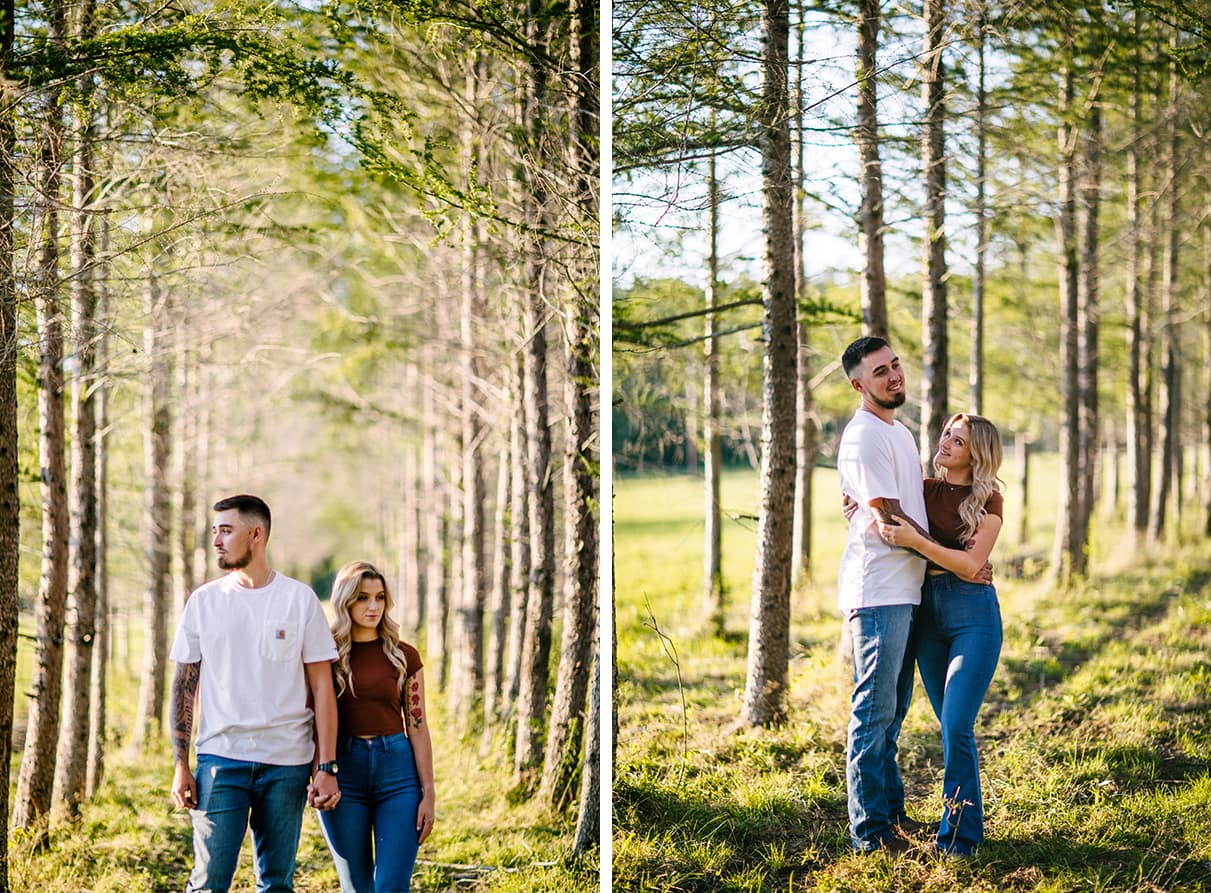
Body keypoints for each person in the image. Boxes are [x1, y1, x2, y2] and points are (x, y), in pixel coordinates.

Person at [169, 494, 341, 893]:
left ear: (256, 534)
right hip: (220, 760)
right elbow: (184, 686)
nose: (216, 541)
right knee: (209, 881)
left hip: (286, 763)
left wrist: (326, 767)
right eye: (215, 532)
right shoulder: (204, 602)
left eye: (226, 531)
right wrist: (180, 764)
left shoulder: (299, 600)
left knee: (277, 882)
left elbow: (322, 687)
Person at [876, 413, 1004, 855]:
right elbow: (881, 508)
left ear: (977, 454)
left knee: (956, 724)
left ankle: (959, 840)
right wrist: (855, 502)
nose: (945, 442)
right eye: (947, 434)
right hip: (927, 615)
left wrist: (921, 543)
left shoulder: (989, 500)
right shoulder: (924, 490)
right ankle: (955, 822)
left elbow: (972, 567)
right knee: (948, 728)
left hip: (974, 617)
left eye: (959, 440)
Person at [836, 335, 932, 853]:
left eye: (895, 365)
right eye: (880, 372)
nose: (894, 376)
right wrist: (951, 556)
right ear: (859, 385)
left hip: (907, 588)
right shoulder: (864, 435)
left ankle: (892, 816)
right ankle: (869, 834)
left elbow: (892, 501)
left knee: (892, 714)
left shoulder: (900, 432)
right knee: (873, 713)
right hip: (878, 591)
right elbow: (889, 516)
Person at [317, 560, 436, 893]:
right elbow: (313, 721)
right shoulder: (325, 656)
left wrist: (429, 793)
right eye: (362, 597)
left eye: (380, 597)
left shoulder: (404, 655)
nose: (373, 606)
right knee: (356, 887)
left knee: (392, 885)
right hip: (344, 772)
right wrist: (319, 772)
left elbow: (418, 727)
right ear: (345, 601)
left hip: (397, 773)